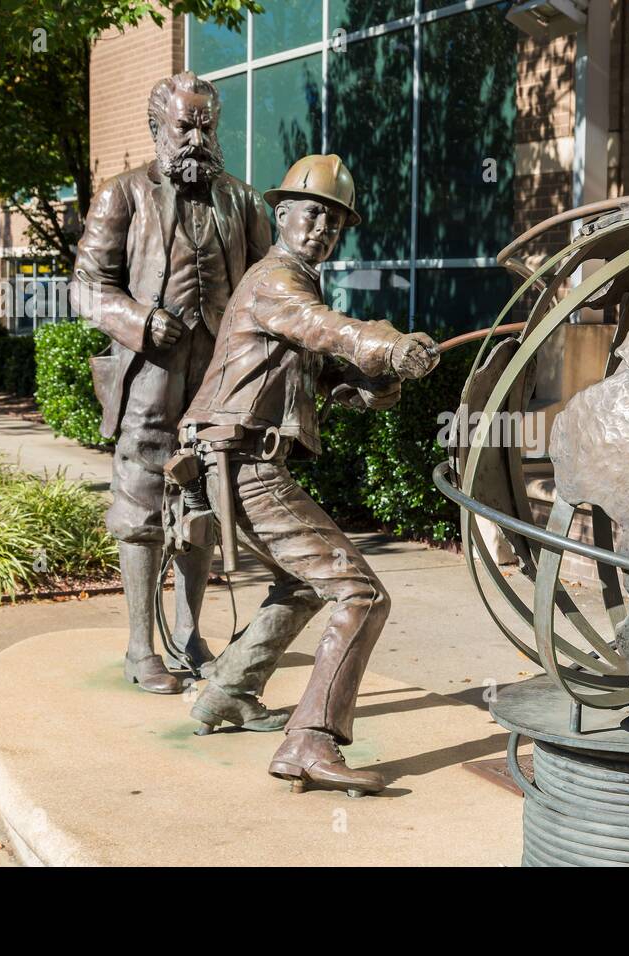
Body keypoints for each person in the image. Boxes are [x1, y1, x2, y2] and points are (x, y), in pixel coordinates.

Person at [179, 154, 439, 796]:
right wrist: (381, 343)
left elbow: (312, 359)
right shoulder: (277, 281)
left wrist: (370, 383)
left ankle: (229, 693)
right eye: (313, 212)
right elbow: (320, 328)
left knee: (298, 587)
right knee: (361, 594)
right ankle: (308, 743)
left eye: (336, 221)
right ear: (283, 213)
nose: (323, 228)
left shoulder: (292, 291)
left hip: (235, 463)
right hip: (242, 464)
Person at [70, 72, 272, 694]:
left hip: (217, 378)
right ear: (158, 127)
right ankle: (139, 647)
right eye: (185, 125)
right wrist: (139, 319)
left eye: (206, 124)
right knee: (139, 501)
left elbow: (269, 287)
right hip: (150, 376)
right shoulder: (121, 196)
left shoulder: (242, 201)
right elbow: (86, 286)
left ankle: (190, 635)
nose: (196, 136)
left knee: (205, 499)